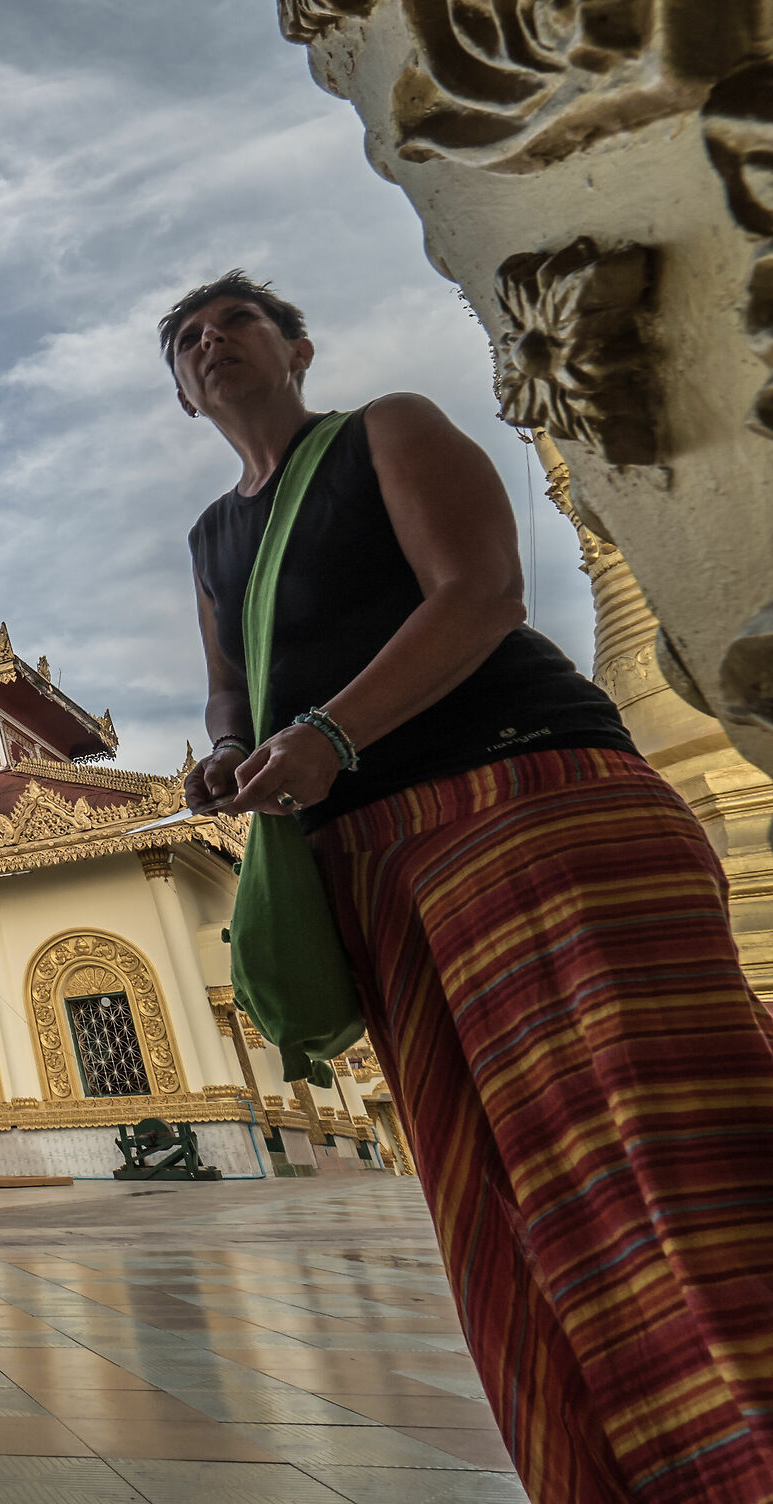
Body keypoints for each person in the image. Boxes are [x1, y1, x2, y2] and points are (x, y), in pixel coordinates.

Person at [168, 270, 773, 1503]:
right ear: (181, 393)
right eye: (185, 340)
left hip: (525, 798)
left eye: (235, 321)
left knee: (657, 1140)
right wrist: (225, 763)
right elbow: (233, 701)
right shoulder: (212, 539)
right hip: (376, 860)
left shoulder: (386, 428)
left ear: (298, 346)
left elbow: (481, 594)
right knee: (494, 1195)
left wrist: (331, 735)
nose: (210, 343)